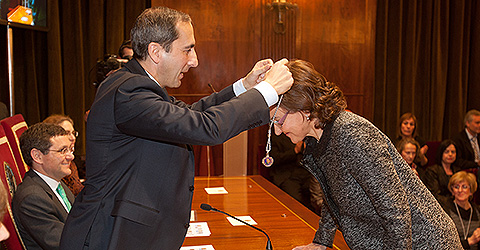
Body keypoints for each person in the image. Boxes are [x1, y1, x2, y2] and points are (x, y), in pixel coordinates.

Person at [60, 6, 293, 250]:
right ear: (156, 51)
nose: (194, 61)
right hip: (107, 236)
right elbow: (205, 127)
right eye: (187, 49)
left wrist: (244, 86)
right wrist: (267, 91)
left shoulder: (137, 85)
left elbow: (192, 114)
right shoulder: (130, 92)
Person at [267, 60, 462, 249]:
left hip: (424, 242)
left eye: (279, 120)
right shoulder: (316, 139)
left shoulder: (351, 133)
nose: (276, 131)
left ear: (305, 109)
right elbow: (331, 193)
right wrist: (322, 241)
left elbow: (395, 209)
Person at [12, 123, 75, 250]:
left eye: (70, 149)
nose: (71, 156)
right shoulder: (32, 198)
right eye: (63, 151)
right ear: (37, 156)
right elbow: (67, 245)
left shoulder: (55, 181)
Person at [43, 114, 84, 196]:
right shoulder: (55, 166)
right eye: (66, 133)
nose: (73, 138)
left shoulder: (70, 162)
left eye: (73, 133)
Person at [269, 133, 312, 208]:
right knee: (296, 202)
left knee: (317, 198)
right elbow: (273, 159)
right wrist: (294, 151)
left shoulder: (304, 133)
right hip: (287, 174)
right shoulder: (276, 136)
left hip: (306, 172)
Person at [441, 171, 480, 249]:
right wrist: (469, 242)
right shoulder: (445, 209)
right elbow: (444, 241)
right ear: (452, 191)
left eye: (464, 187)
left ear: (471, 191)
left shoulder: (477, 210)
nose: (460, 190)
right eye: (456, 187)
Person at [423, 140, 462, 204]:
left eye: (453, 152)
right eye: (446, 152)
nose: (450, 154)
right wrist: (452, 201)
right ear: (441, 153)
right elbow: (434, 195)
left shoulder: (458, 171)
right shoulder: (432, 171)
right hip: (439, 205)